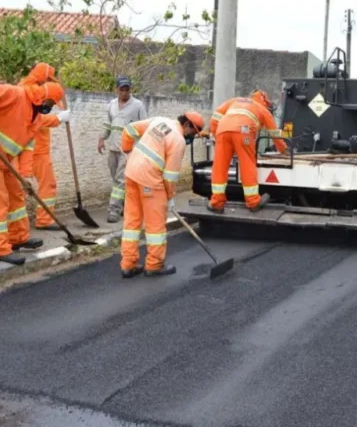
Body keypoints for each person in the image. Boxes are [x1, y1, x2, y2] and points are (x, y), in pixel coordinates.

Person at [0, 80, 65, 265]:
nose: (51, 107)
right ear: (45, 97)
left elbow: (27, 146)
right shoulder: (16, 94)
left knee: (16, 195)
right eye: (52, 103)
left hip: (4, 160)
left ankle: (18, 238)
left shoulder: (37, 119)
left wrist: (25, 176)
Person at [117, 112, 205, 278]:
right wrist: (170, 197)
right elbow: (169, 176)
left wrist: (128, 152)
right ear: (187, 125)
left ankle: (128, 264)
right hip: (150, 180)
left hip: (131, 173)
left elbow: (128, 130)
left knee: (132, 221)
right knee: (155, 225)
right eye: (193, 133)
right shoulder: (178, 140)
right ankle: (154, 265)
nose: (192, 137)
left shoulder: (159, 120)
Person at [206, 90, 287, 214]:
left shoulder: (234, 101)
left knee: (219, 167)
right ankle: (253, 202)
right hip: (244, 131)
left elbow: (215, 117)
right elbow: (274, 133)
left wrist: (217, 135)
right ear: (264, 101)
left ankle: (216, 203)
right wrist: (283, 149)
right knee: (247, 164)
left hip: (222, 130)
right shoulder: (262, 109)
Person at [16, 64, 71, 230]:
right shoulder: (28, 91)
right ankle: (43, 220)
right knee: (47, 185)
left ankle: (23, 226)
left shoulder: (26, 88)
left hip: (33, 148)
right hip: (34, 150)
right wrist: (58, 119)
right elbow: (32, 119)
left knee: (24, 188)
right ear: (44, 79)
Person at [98, 76, 147, 223]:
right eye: (122, 90)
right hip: (113, 147)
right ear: (117, 90)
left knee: (120, 180)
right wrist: (101, 139)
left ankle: (114, 210)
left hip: (128, 150)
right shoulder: (112, 105)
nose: (124, 93)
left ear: (130, 90)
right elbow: (108, 123)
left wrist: (141, 149)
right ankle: (127, 203)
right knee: (116, 177)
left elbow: (144, 126)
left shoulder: (138, 105)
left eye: (127, 90)